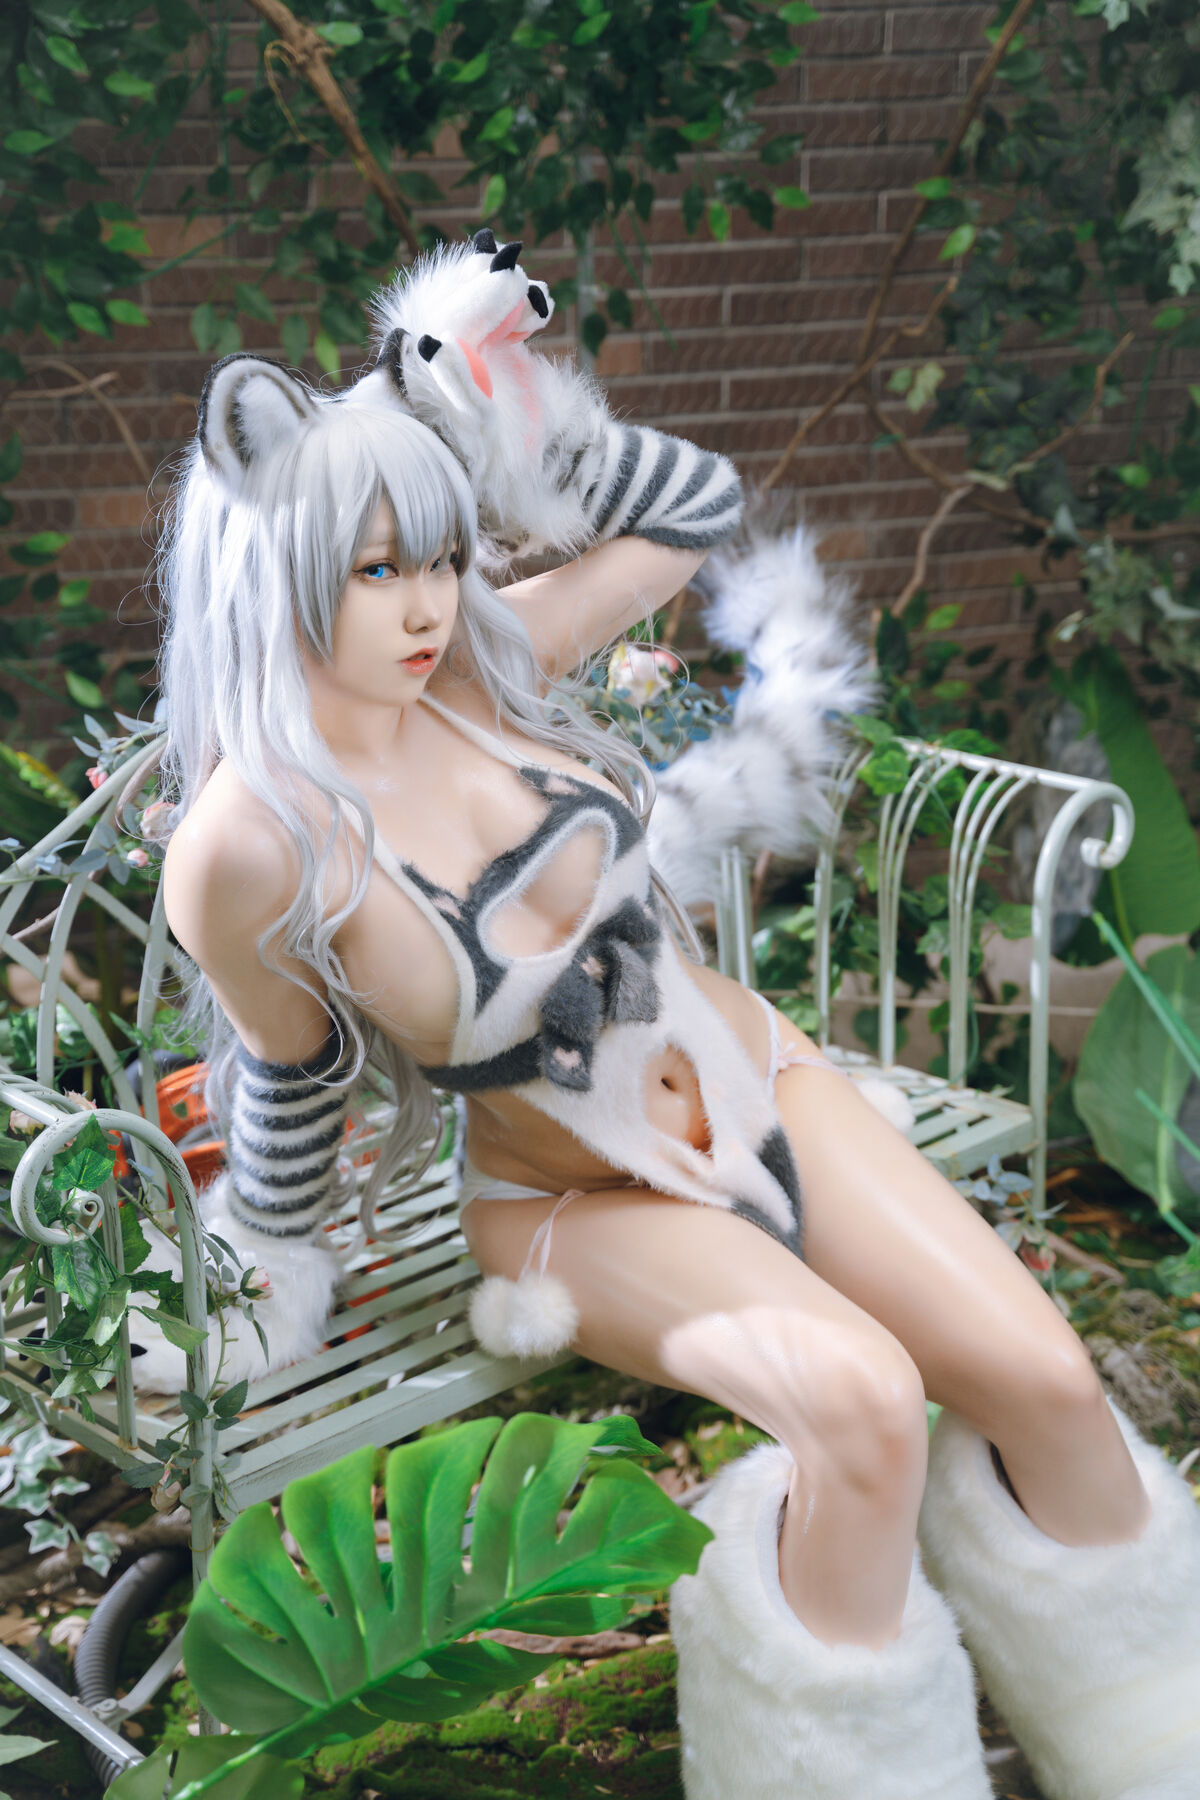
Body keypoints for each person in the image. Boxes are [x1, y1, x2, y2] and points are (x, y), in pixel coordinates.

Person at [151, 234, 1200, 1800]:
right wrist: (269, 1267)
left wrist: (496, 415)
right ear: (273, 569)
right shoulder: (247, 847)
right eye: (378, 570)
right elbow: (286, 1071)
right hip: (571, 1202)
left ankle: (1157, 1740)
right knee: (860, 1407)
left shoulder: (479, 674)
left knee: (1048, 1383)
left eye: (440, 556)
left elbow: (694, 505)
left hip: (756, 1078)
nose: (429, 605)